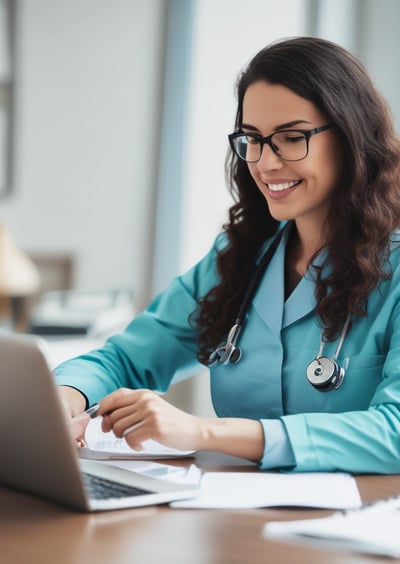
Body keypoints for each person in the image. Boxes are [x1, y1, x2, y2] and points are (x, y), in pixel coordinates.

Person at [55, 36, 400, 474]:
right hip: (234, 521)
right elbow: (127, 359)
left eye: (292, 138)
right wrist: (63, 400)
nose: (266, 163)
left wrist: (204, 433)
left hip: (355, 527)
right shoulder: (239, 257)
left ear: (352, 137)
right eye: (253, 139)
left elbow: (395, 433)